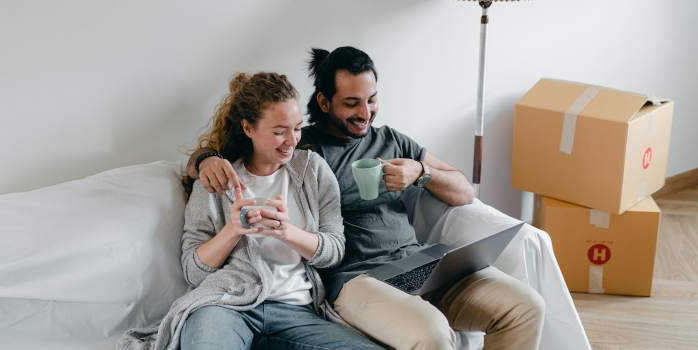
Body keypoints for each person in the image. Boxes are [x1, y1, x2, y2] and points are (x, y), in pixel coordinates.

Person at [186, 47, 546, 350]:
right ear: (325, 102)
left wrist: (421, 172)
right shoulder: (305, 150)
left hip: (419, 264)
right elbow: (237, 154)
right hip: (358, 279)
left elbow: (464, 191)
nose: (365, 112)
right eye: (351, 103)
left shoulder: (392, 140)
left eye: (371, 100)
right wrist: (205, 160)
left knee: (526, 306)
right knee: (431, 332)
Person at [117, 72, 384, 350]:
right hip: (224, 306)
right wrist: (233, 229)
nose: (291, 140)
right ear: (248, 128)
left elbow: (334, 252)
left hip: (297, 311)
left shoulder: (313, 171)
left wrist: (286, 232)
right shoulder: (216, 180)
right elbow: (193, 273)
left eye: (297, 128)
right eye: (279, 132)